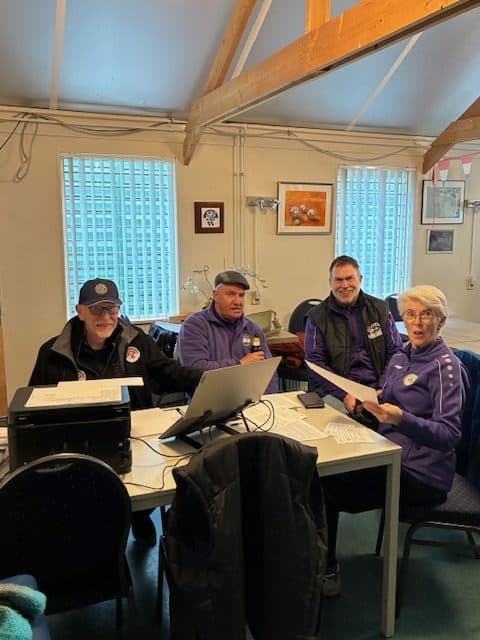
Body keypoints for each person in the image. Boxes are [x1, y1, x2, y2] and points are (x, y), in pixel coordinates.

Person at [29, 278, 203, 547]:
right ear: (80, 311)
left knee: (149, 486)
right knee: (92, 506)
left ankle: (139, 515)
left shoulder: (136, 341)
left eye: (111, 309)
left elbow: (169, 372)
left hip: (134, 435)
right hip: (80, 441)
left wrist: (208, 380)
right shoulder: (52, 352)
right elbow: (33, 405)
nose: (105, 317)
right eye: (96, 309)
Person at [322, 285, 470, 597]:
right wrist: (368, 402)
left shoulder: (446, 367)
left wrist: (401, 418)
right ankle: (318, 560)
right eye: (410, 314)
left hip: (422, 475)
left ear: (441, 320)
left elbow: (448, 435)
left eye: (427, 315)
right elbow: (386, 395)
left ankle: (325, 569)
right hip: (388, 453)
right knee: (320, 471)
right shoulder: (403, 355)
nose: (417, 323)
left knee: (327, 488)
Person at [304, 255, 402, 423]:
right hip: (335, 393)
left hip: (379, 389)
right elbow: (314, 363)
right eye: (338, 280)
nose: (344, 285)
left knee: (397, 423)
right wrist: (344, 394)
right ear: (330, 282)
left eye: (349, 278)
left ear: (360, 279)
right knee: (343, 429)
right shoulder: (316, 317)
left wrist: (383, 388)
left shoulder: (380, 309)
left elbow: (396, 352)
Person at [177, 270, 278, 393]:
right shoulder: (194, 325)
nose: (238, 301)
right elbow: (195, 369)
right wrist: (239, 364)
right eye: (231, 294)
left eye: (241, 295)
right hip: (209, 398)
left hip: (248, 398)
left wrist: (270, 399)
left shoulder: (252, 329)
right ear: (216, 295)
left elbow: (269, 372)